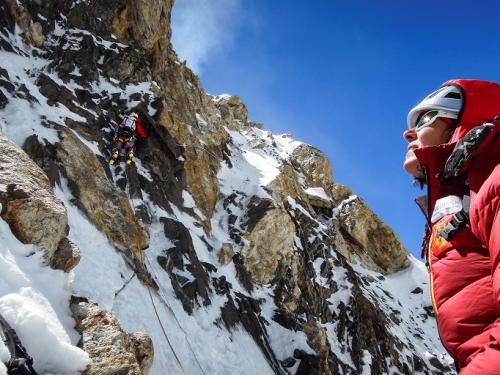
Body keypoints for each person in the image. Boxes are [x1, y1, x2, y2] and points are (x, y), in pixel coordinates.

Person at [403, 79, 500, 374]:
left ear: (458, 123)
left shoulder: (491, 173)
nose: (408, 132)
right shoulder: (461, 193)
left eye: (424, 118)